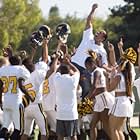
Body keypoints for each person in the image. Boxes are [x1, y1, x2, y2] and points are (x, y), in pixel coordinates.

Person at [71, 3, 108, 97]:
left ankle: (83, 109)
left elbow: (104, 64)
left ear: (102, 38)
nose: (97, 32)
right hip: (72, 64)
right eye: (98, 31)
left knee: (86, 89)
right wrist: (93, 10)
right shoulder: (88, 36)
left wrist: (109, 68)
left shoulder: (102, 51)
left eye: (100, 33)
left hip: (84, 70)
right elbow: (88, 21)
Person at [106, 47, 137, 140]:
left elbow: (109, 89)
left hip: (119, 102)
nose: (117, 67)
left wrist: (108, 77)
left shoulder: (119, 76)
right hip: (126, 102)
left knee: (113, 129)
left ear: (121, 67)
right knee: (118, 130)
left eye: (118, 65)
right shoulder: (126, 76)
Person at [0, 55, 30, 140]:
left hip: (6, 100)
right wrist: (29, 96)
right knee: (18, 129)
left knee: (5, 126)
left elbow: (0, 87)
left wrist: (0, 101)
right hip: (16, 101)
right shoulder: (20, 69)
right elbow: (23, 81)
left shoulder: (3, 69)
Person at [53, 56, 80, 140]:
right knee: (73, 136)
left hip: (60, 113)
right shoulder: (73, 80)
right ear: (69, 72)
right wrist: (69, 63)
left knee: (60, 136)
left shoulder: (57, 79)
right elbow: (77, 71)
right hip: (71, 114)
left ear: (61, 71)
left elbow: (56, 71)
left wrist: (61, 63)